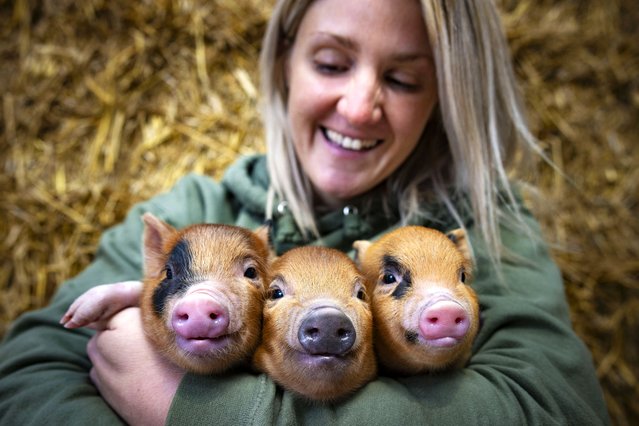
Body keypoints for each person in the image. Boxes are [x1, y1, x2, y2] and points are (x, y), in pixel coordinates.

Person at [0, 0, 610, 424]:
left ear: (447, 95)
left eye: (401, 79)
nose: (359, 105)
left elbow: (560, 409)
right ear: (284, 63)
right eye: (331, 63)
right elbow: (30, 371)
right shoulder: (197, 210)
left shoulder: (481, 226)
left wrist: (181, 407)